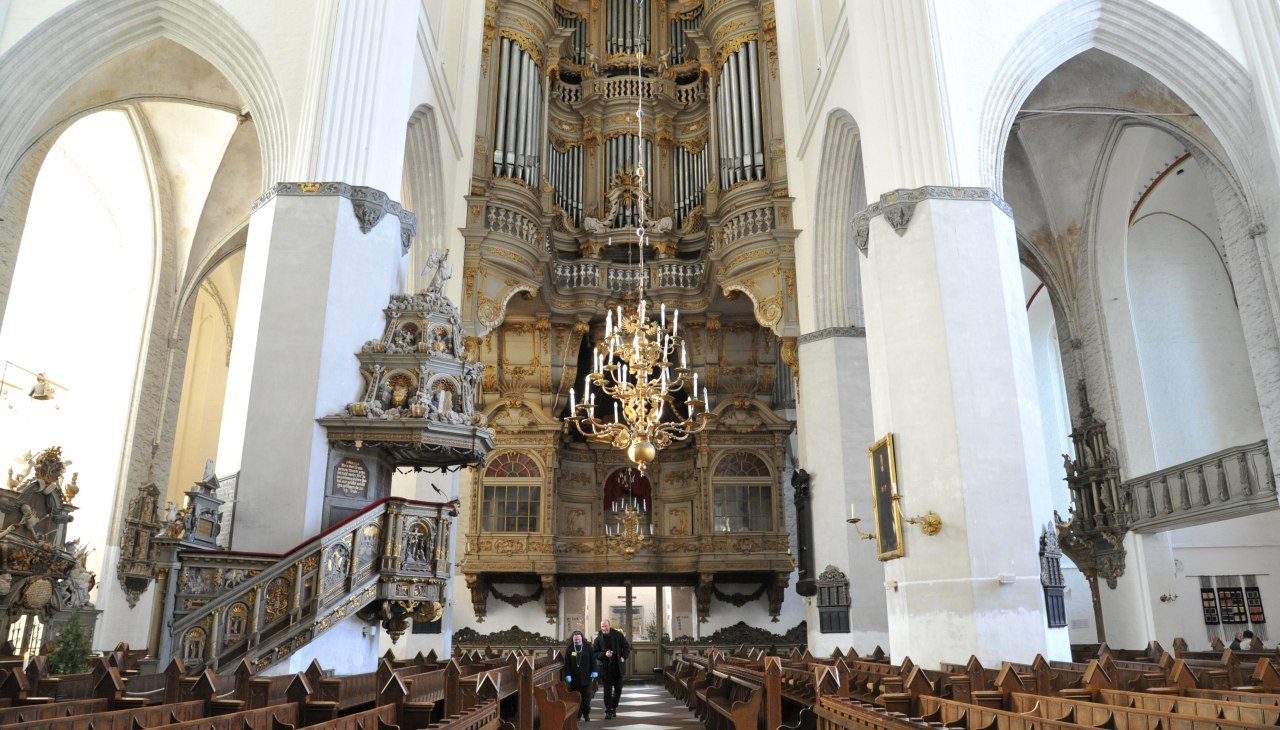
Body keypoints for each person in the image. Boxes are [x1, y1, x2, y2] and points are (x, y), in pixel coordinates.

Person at [592, 618, 631, 719]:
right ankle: (608, 711)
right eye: (602, 626)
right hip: (605, 669)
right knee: (607, 692)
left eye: (605, 626)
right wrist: (605, 654)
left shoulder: (618, 635)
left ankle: (614, 707)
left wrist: (623, 656)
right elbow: (595, 653)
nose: (604, 628)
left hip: (617, 667)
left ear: (609, 626)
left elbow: (626, 647)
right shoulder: (598, 639)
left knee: (618, 690)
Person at [563, 630, 598, 721]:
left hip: (586, 677)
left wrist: (594, 671)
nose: (577, 641)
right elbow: (567, 664)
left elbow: (593, 661)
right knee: (576, 697)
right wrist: (568, 675)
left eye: (578, 639)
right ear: (573, 639)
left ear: (581, 638)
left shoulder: (588, 647)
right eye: (575, 640)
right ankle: (578, 714)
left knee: (587, 697)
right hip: (574, 678)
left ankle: (586, 714)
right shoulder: (570, 648)